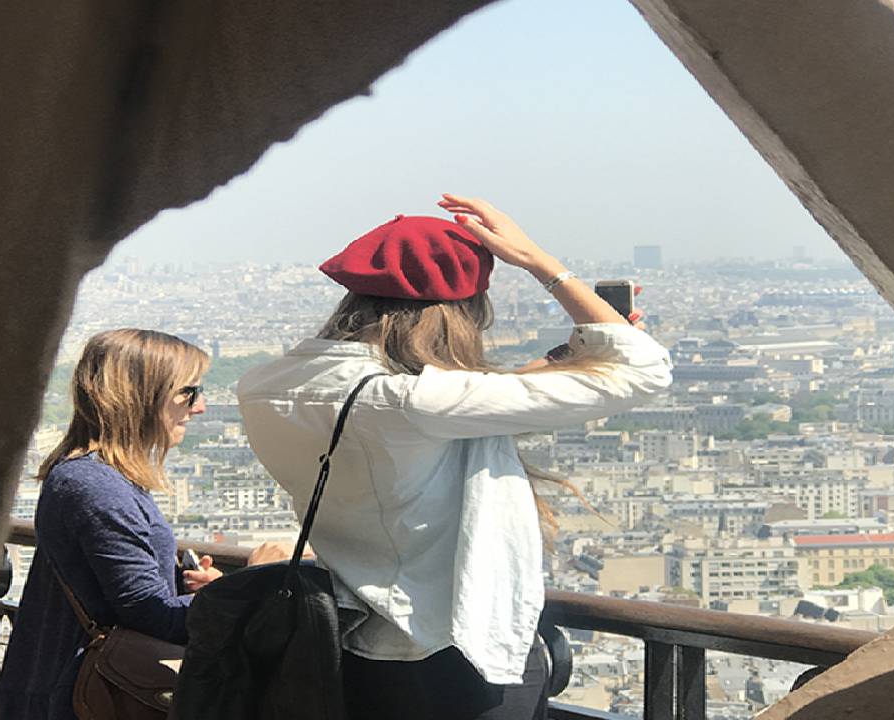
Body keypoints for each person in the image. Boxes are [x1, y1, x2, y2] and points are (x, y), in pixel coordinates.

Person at [236, 196, 674, 720]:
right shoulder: (409, 402)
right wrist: (539, 262)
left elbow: (463, 400)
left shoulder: (264, 386)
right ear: (457, 312)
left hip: (350, 641)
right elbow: (645, 369)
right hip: (455, 654)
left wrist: (569, 357)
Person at [0, 328, 223, 720]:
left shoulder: (94, 477)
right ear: (141, 397)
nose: (198, 407)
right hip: (80, 698)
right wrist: (241, 591)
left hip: (65, 689)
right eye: (188, 392)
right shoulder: (98, 488)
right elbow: (152, 616)